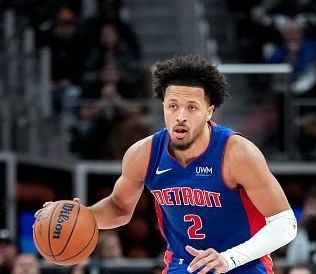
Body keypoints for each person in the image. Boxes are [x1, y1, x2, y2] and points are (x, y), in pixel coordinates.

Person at [36, 55, 297, 273]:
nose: (180, 116)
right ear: (163, 106)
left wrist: (228, 258)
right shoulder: (143, 154)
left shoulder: (237, 153)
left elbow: (286, 224)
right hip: (184, 264)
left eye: (192, 107)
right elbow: (119, 207)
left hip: (243, 264)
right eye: (173, 106)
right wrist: (79, 216)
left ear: (209, 111)